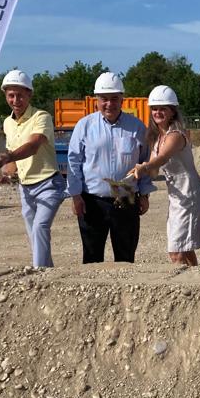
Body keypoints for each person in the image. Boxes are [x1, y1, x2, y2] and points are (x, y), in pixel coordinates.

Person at [66, 71, 154, 263]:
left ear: (122, 99)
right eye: (104, 99)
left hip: (127, 201)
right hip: (92, 203)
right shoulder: (84, 126)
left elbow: (145, 163)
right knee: (91, 259)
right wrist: (75, 196)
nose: (109, 104)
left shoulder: (137, 127)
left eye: (114, 98)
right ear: (96, 99)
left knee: (125, 259)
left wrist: (145, 195)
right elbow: (73, 162)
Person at [0, 69, 67, 268]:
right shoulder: (8, 123)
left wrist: (8, 156)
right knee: (34, 233)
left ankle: (38, 274)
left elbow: (33, 145)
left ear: (29, 94)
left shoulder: (41, 117)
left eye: (20, 95)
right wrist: (6, 173)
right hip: (25, 188)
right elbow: (14, 158)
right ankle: (47, 273)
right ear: (6, 96)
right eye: (11, 95)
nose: (16, 100)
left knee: (40, 227)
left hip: (49, 184)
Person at [128, 85, 200, 265]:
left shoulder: (176, 135)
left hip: (190, 196)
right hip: (177, 197)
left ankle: (183, 285)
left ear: (172, 111)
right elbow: (153, 170)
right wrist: (139, 184)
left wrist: (144, 166)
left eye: (162, 108)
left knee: (175, 252)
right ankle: (194, 281)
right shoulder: (157, 138)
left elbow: (161, 159)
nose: (157, 112)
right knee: (185, 248)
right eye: (154, 109)